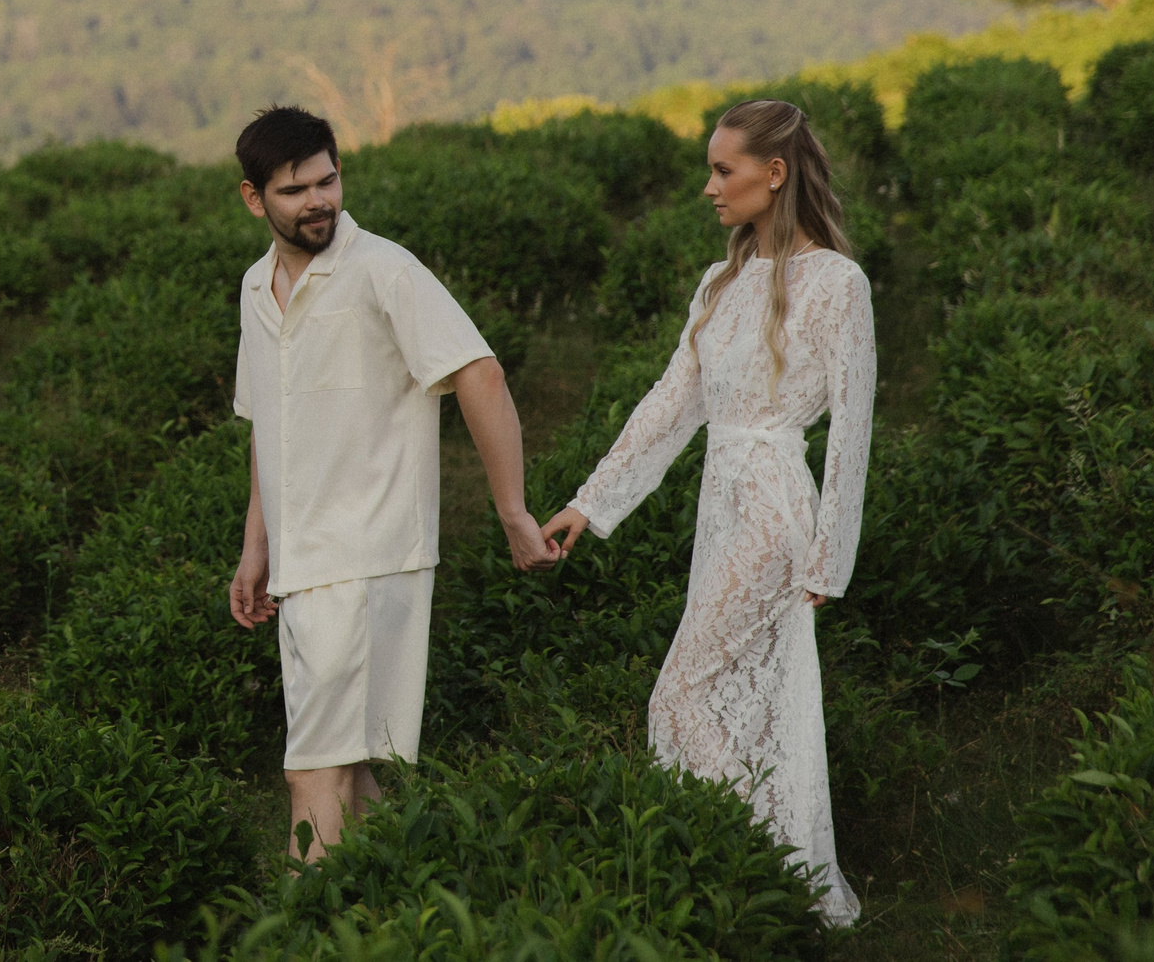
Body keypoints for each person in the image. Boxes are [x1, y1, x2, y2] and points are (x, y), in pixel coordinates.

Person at [539, 99, 874, 927]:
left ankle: (746, 865)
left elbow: (853, 429)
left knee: (679, 698)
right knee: (746, 700)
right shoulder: (719, 282)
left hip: (772, 509)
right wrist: (592, 498)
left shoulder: (838, 282)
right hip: (719, 508)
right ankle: (763, 877)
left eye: (724, 170)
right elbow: (671, 403)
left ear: (776, 172)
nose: (708, 187)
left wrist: (831, 554)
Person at [226, 105, 558, 861]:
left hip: (368, 555)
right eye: (294, 189)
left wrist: (512, 510)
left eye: (328, 179)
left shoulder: (383, 268)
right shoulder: (254, 288)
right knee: (357, 772)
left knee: (311, 769)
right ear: (254, 198)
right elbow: (269, 426)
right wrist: (257, 547)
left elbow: (480, 370)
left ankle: (306, 932)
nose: (318, 200)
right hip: (306, 564)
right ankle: (381, 919)